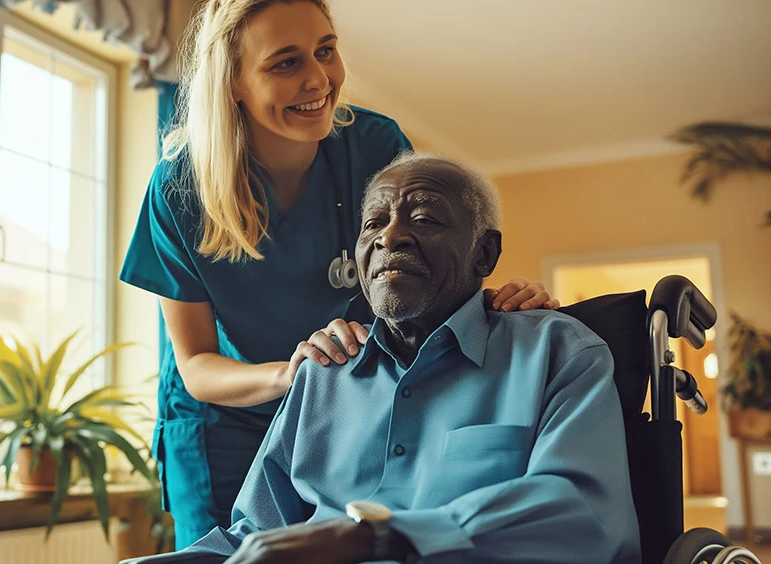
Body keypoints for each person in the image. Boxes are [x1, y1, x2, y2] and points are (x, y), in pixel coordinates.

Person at [119, 0, 560, 547]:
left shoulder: (375, 148)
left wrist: (497, 303)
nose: (319, 79)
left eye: (325, 50)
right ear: (232, 81)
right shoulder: (180, 189)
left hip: (342, 402)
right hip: (223, 421)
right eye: (286, 62)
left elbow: (425, 277)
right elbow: (196, 367)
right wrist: (292, 374)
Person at [122, 153, 641, 564]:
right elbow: (255, 534)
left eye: (425, 218)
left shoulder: (556, 351)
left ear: (484, 253)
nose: (390, 236)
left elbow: (585, 512)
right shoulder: (324, 373)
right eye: (373, 223)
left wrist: (375, 538)